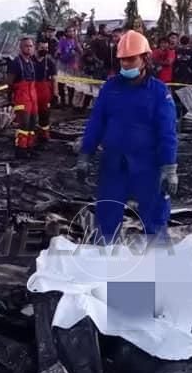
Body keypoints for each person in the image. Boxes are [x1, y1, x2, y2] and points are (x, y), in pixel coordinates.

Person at [76, 30, 177, 242]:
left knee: (156, 221)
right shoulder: (110, 88)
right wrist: (85, 155)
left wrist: (169, 168)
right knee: (106, 221)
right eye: (123, 60)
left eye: (131, 59)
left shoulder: (159, 92)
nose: (126, 65)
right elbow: (96, 123)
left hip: (148, 167)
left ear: (145, 59)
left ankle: (160, 268)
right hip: (113, 166)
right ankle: (103, 266)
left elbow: (167, 133)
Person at [6, 38, 38, 158]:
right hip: (22, 97)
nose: (29, 48)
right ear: (21, 48)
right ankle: (21, 150)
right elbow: (9, 82)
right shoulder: (15, 63)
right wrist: (10, 98)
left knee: (32, 124)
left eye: (30, 46)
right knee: (23, 124)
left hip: (32, 97)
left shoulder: (31, 62)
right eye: (26, 46)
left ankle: (29, 147)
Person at [33, 40, 57, 143]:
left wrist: (55, 93)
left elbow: (55, 78)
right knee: (31, 114)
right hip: (31, 89)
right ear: (36, 48)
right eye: (42, 48)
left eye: (46, 48)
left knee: (45, 114)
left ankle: (44, 135)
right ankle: (31, 135)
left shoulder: (50, 61)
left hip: (45, 90)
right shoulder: (29, 60)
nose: (45, 50)